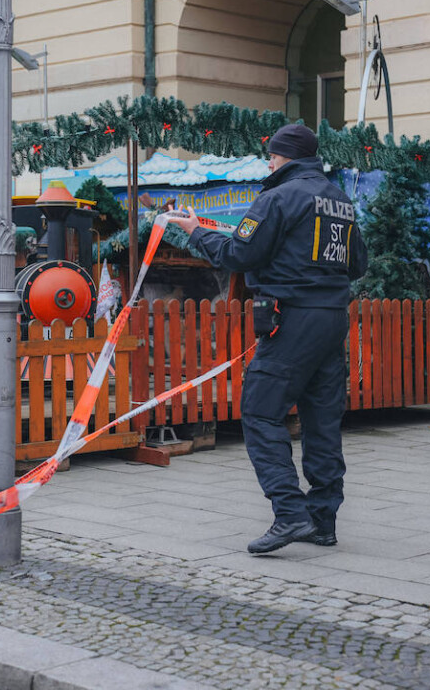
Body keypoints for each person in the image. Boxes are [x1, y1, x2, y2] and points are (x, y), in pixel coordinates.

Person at [171, 124, 367, 554]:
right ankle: (323, 519)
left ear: (287, 157)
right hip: (332, 318)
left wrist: (195, 231)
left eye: (272, 156)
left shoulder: (277, 197)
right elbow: (357, 265)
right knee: (321, 418)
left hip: (292, 318)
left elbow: (239, 254)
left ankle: (289, 512)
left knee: (260, 411)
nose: (268, 162)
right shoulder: (339, 200)